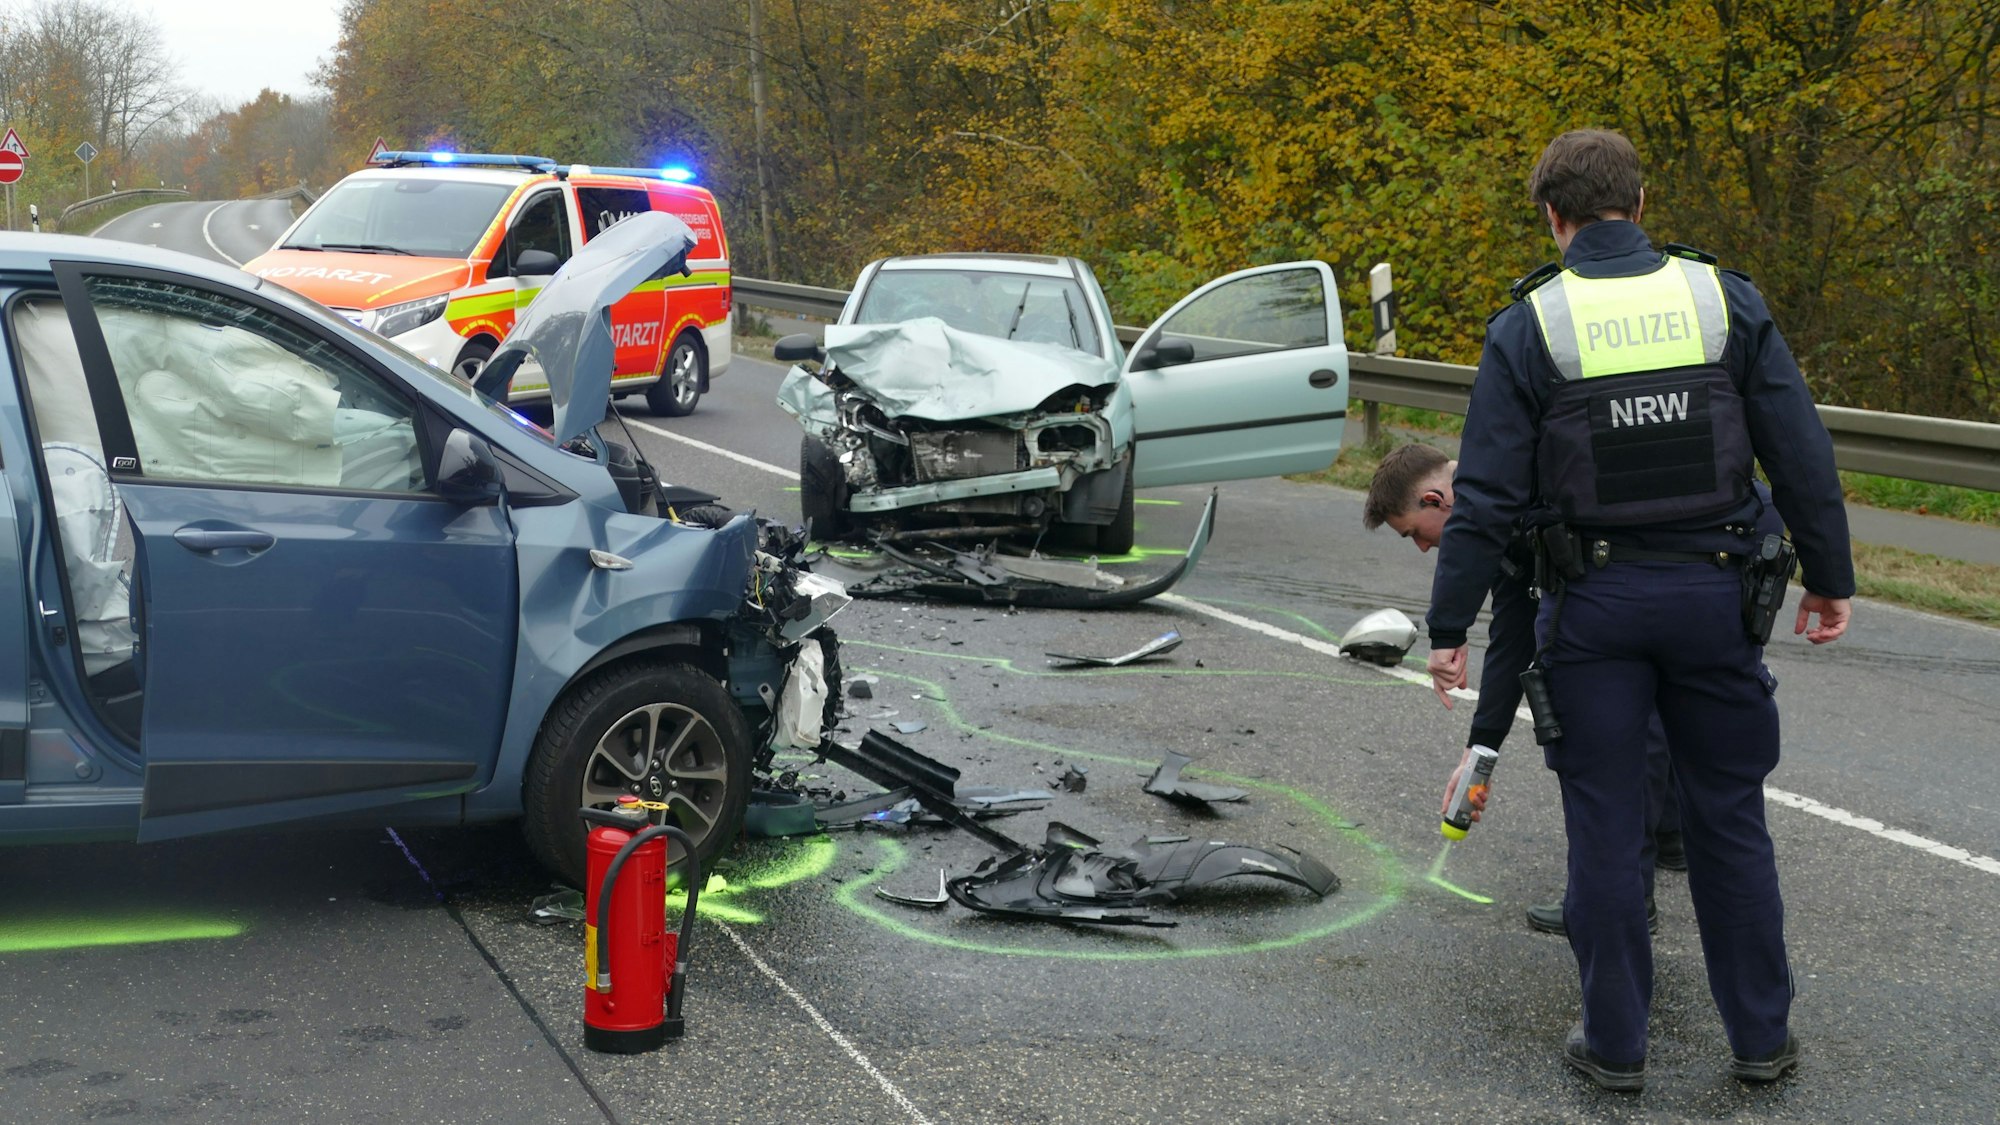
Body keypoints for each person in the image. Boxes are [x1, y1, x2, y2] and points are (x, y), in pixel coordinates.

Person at [1423, 129, 1853, 1092]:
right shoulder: (1723, 301)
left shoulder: (1531, 324)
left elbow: (1484, 498)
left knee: (1607, 826)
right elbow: (1800, 449)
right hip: (1717, 597)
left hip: (1597, 608)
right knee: (1729, 816)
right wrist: (1831, 574)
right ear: (1643, 202)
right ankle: (1761, 1041)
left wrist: (1449, 629)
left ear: (1552, 214)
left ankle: (1614, 1047)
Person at [1363, 443, 1688, 938]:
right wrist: (1481, 752)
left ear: (1435, 500)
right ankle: (1670, 836)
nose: (1424, 549)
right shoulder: (1501, 510)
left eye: (1414, 535)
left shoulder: (1535, 480)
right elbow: (1514, 633)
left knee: (1616, 726)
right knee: (1648, 710)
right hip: (1653, 589)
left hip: (1659, 578)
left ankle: (1621, 902)